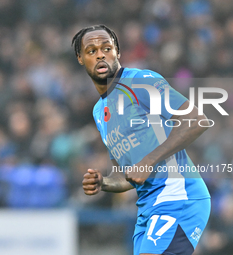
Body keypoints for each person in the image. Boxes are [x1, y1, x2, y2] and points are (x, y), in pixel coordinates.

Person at [72, 24, 211, 255]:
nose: (100, 54)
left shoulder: (140, 81)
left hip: (179, 197)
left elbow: (196, 119)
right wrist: (104, 183)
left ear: (117, 51)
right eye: (91, 50)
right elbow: (126, 175)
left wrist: (149, 160)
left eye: (107, 48)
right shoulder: (99, 111)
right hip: (148, 208)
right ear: (80, 58)